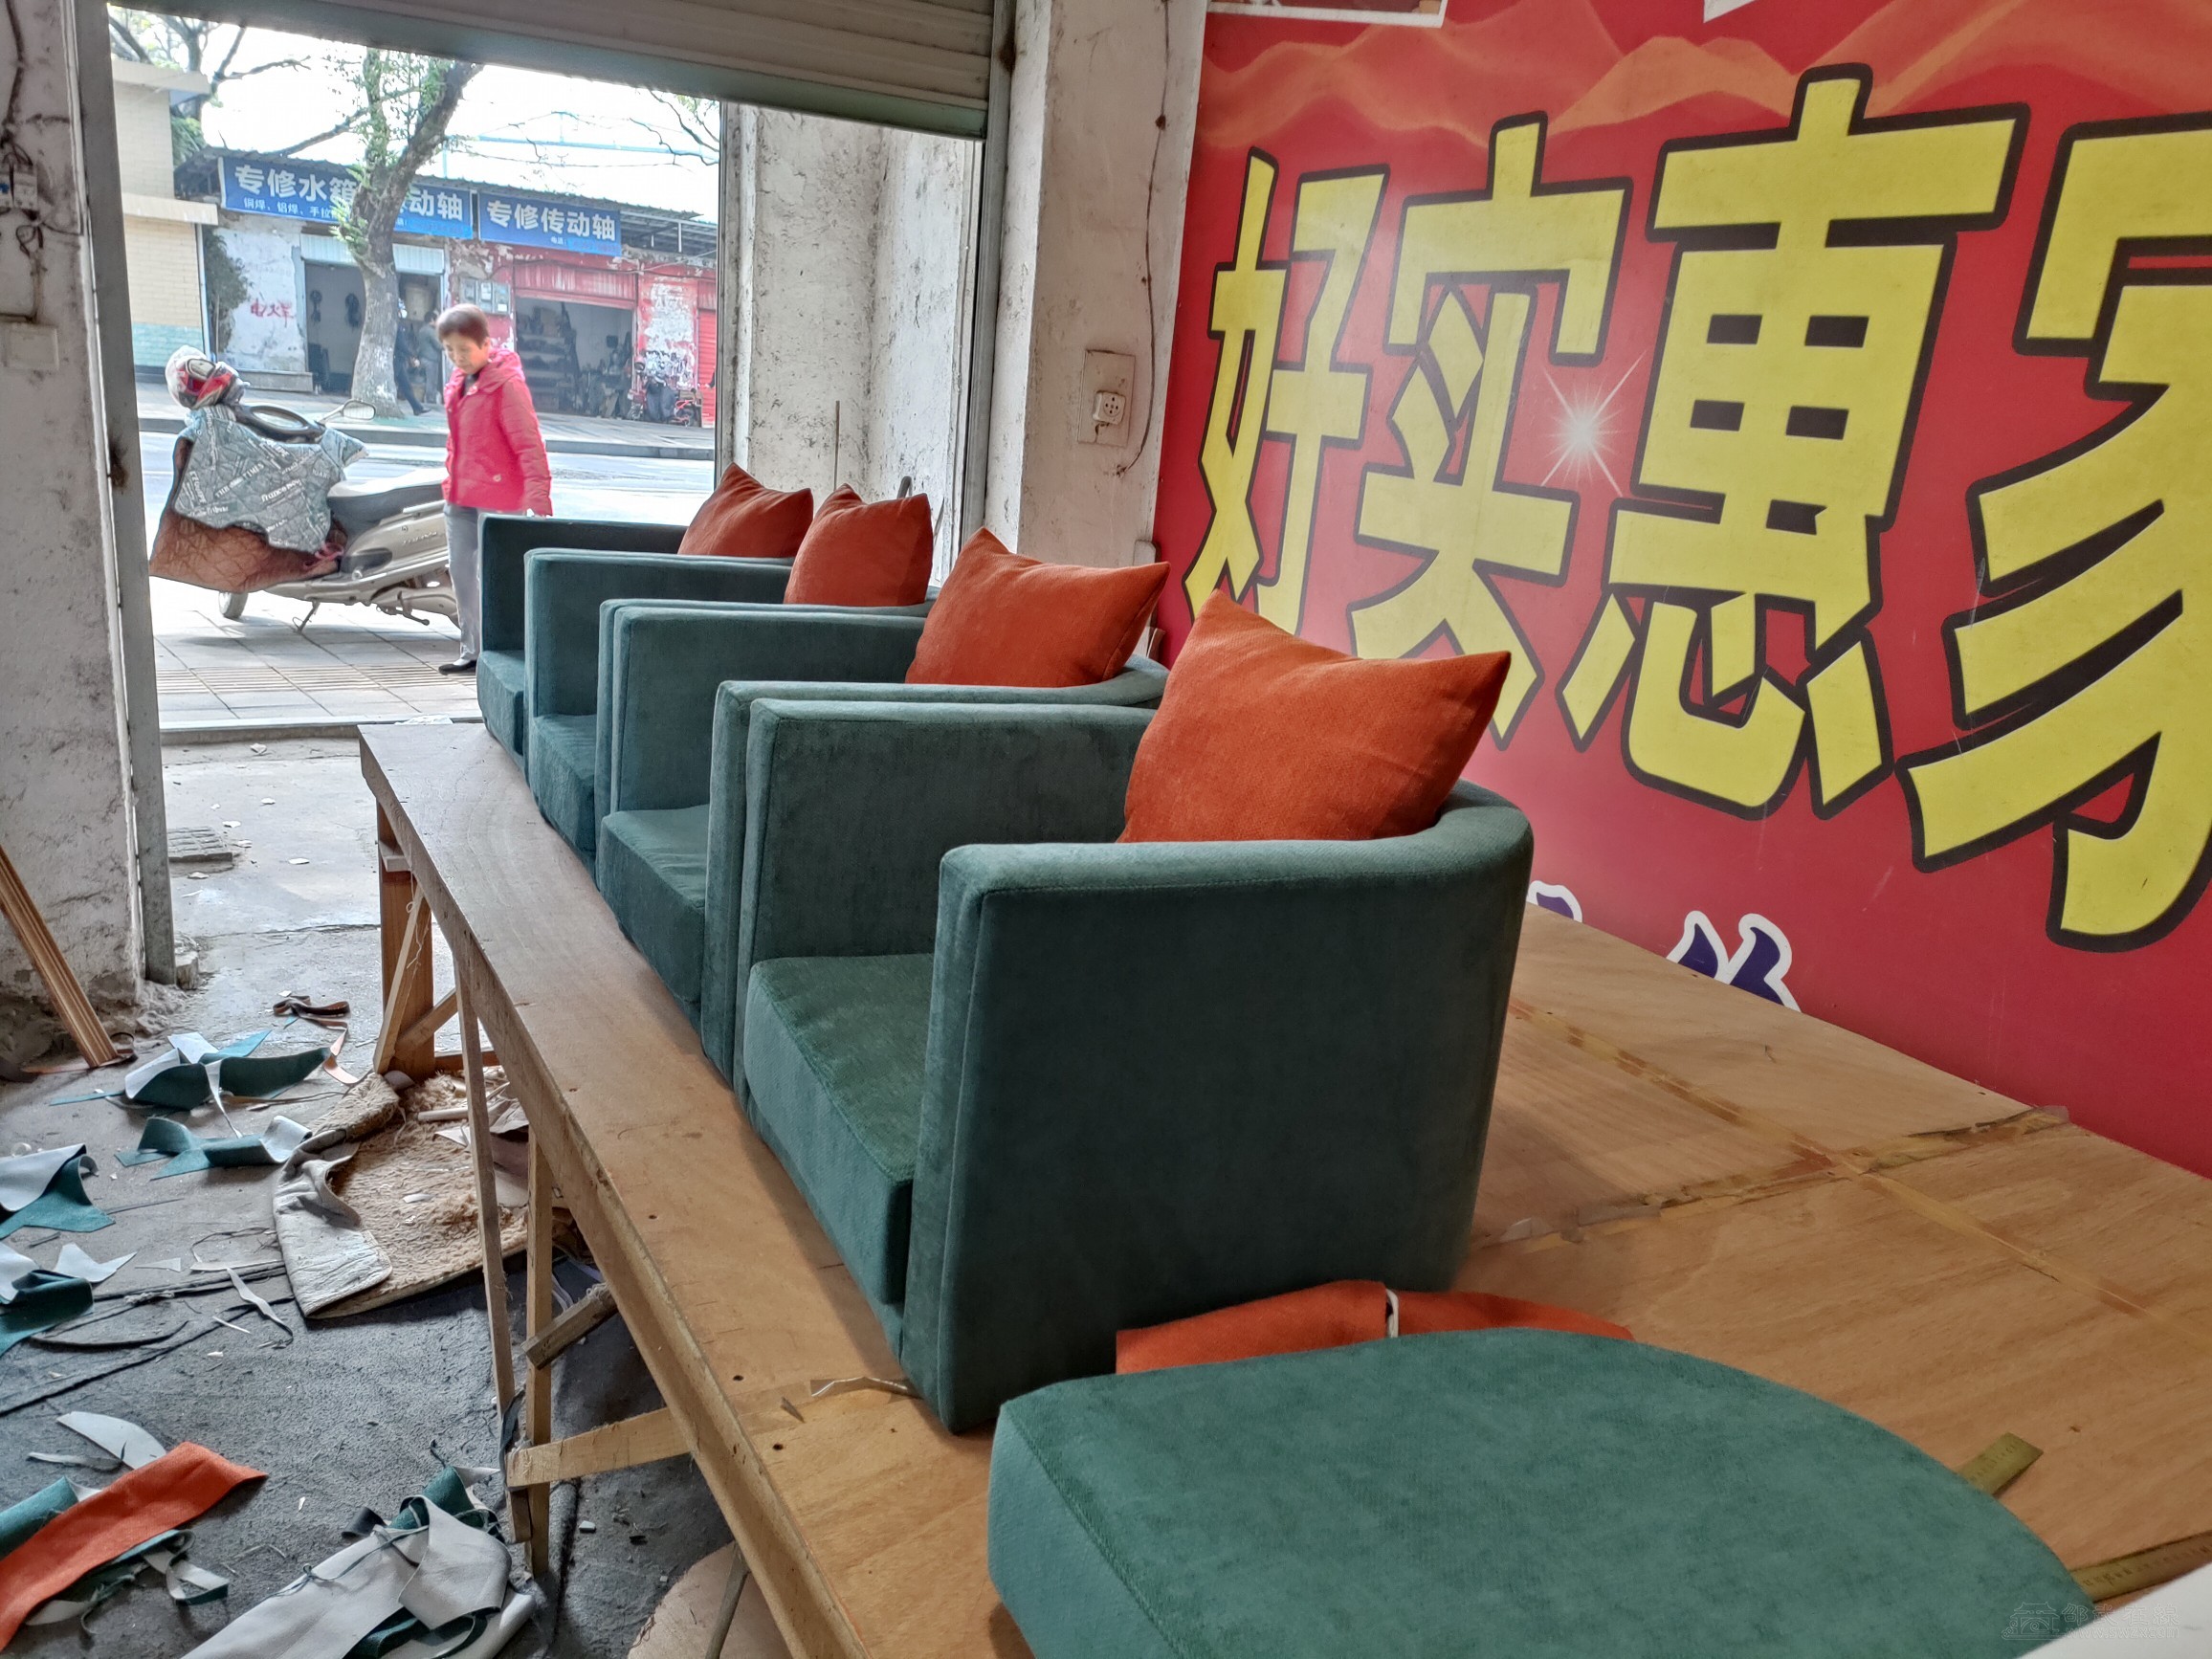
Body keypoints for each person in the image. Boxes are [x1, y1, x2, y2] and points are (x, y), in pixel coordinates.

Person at [435, 303, 552, 674]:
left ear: (486, 344)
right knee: (461, 575)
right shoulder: (458, 382)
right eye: (450, 350)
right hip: (459, 496)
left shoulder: (506, 384)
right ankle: (471, 650)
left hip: (499, 500)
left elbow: (529, 444)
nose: (458, 357)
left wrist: (538, 499)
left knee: (495, 581)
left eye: (464, 349)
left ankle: (499, 656)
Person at [393, 311, 425, 415]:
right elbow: (401, 344)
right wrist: (411, 355)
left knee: (405, 385)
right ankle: (417, 408)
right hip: (396, 360)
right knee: (404, 384)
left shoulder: (398, 326)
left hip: (398, 359)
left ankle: (417, 408)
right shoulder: (397, 327)